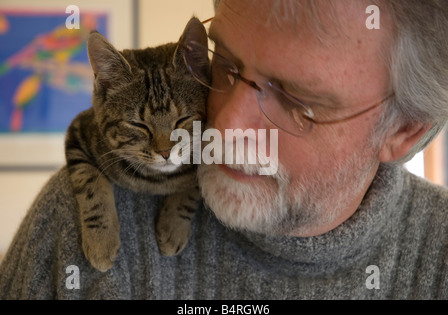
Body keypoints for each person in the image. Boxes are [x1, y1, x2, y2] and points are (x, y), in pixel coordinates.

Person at [1, 0, 448, 299]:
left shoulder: (436, 261)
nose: (225, 126)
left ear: (405, 132)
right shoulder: (65, 224)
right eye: (225, 64)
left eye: (294, 98)